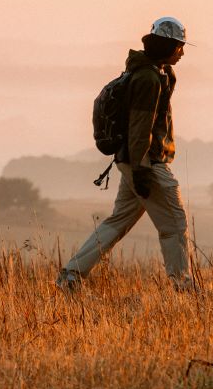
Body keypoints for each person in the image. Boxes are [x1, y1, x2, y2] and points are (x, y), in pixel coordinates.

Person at [57, 16, 192, 291]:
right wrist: (142, 169)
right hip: (146, 161)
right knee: (175, 223)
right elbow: (140, 128)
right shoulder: (148, 79)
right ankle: (184, 287)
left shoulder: (149, 72)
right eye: (179, 45)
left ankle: (71, 275)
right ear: (167, 45)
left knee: (118, 221)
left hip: (131, 160)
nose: (182, 51)